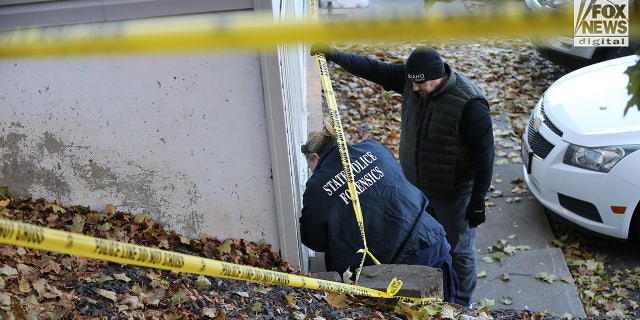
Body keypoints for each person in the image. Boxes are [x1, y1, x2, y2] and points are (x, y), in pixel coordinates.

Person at [309, 44, 495, 307]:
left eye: (421, 84)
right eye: (413, 83)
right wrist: (336, 55)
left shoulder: (470, 105)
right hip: (415, 189)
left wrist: (478, 200)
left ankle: (461, 304)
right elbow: (374, 68)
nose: (415, 89)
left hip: (452, 196)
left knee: (459, 251)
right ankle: (424, 294)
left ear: (437, 75)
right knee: (420, 243)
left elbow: (485, 153)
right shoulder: (413, 80)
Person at [299, 121, 458, 303]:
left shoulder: (317, 186)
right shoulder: (373, 149)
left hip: (386, 274)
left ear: (316, 157)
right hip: (429, 242)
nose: (312, 172)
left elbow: (313, 239)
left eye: (310, 167)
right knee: (445, 309)